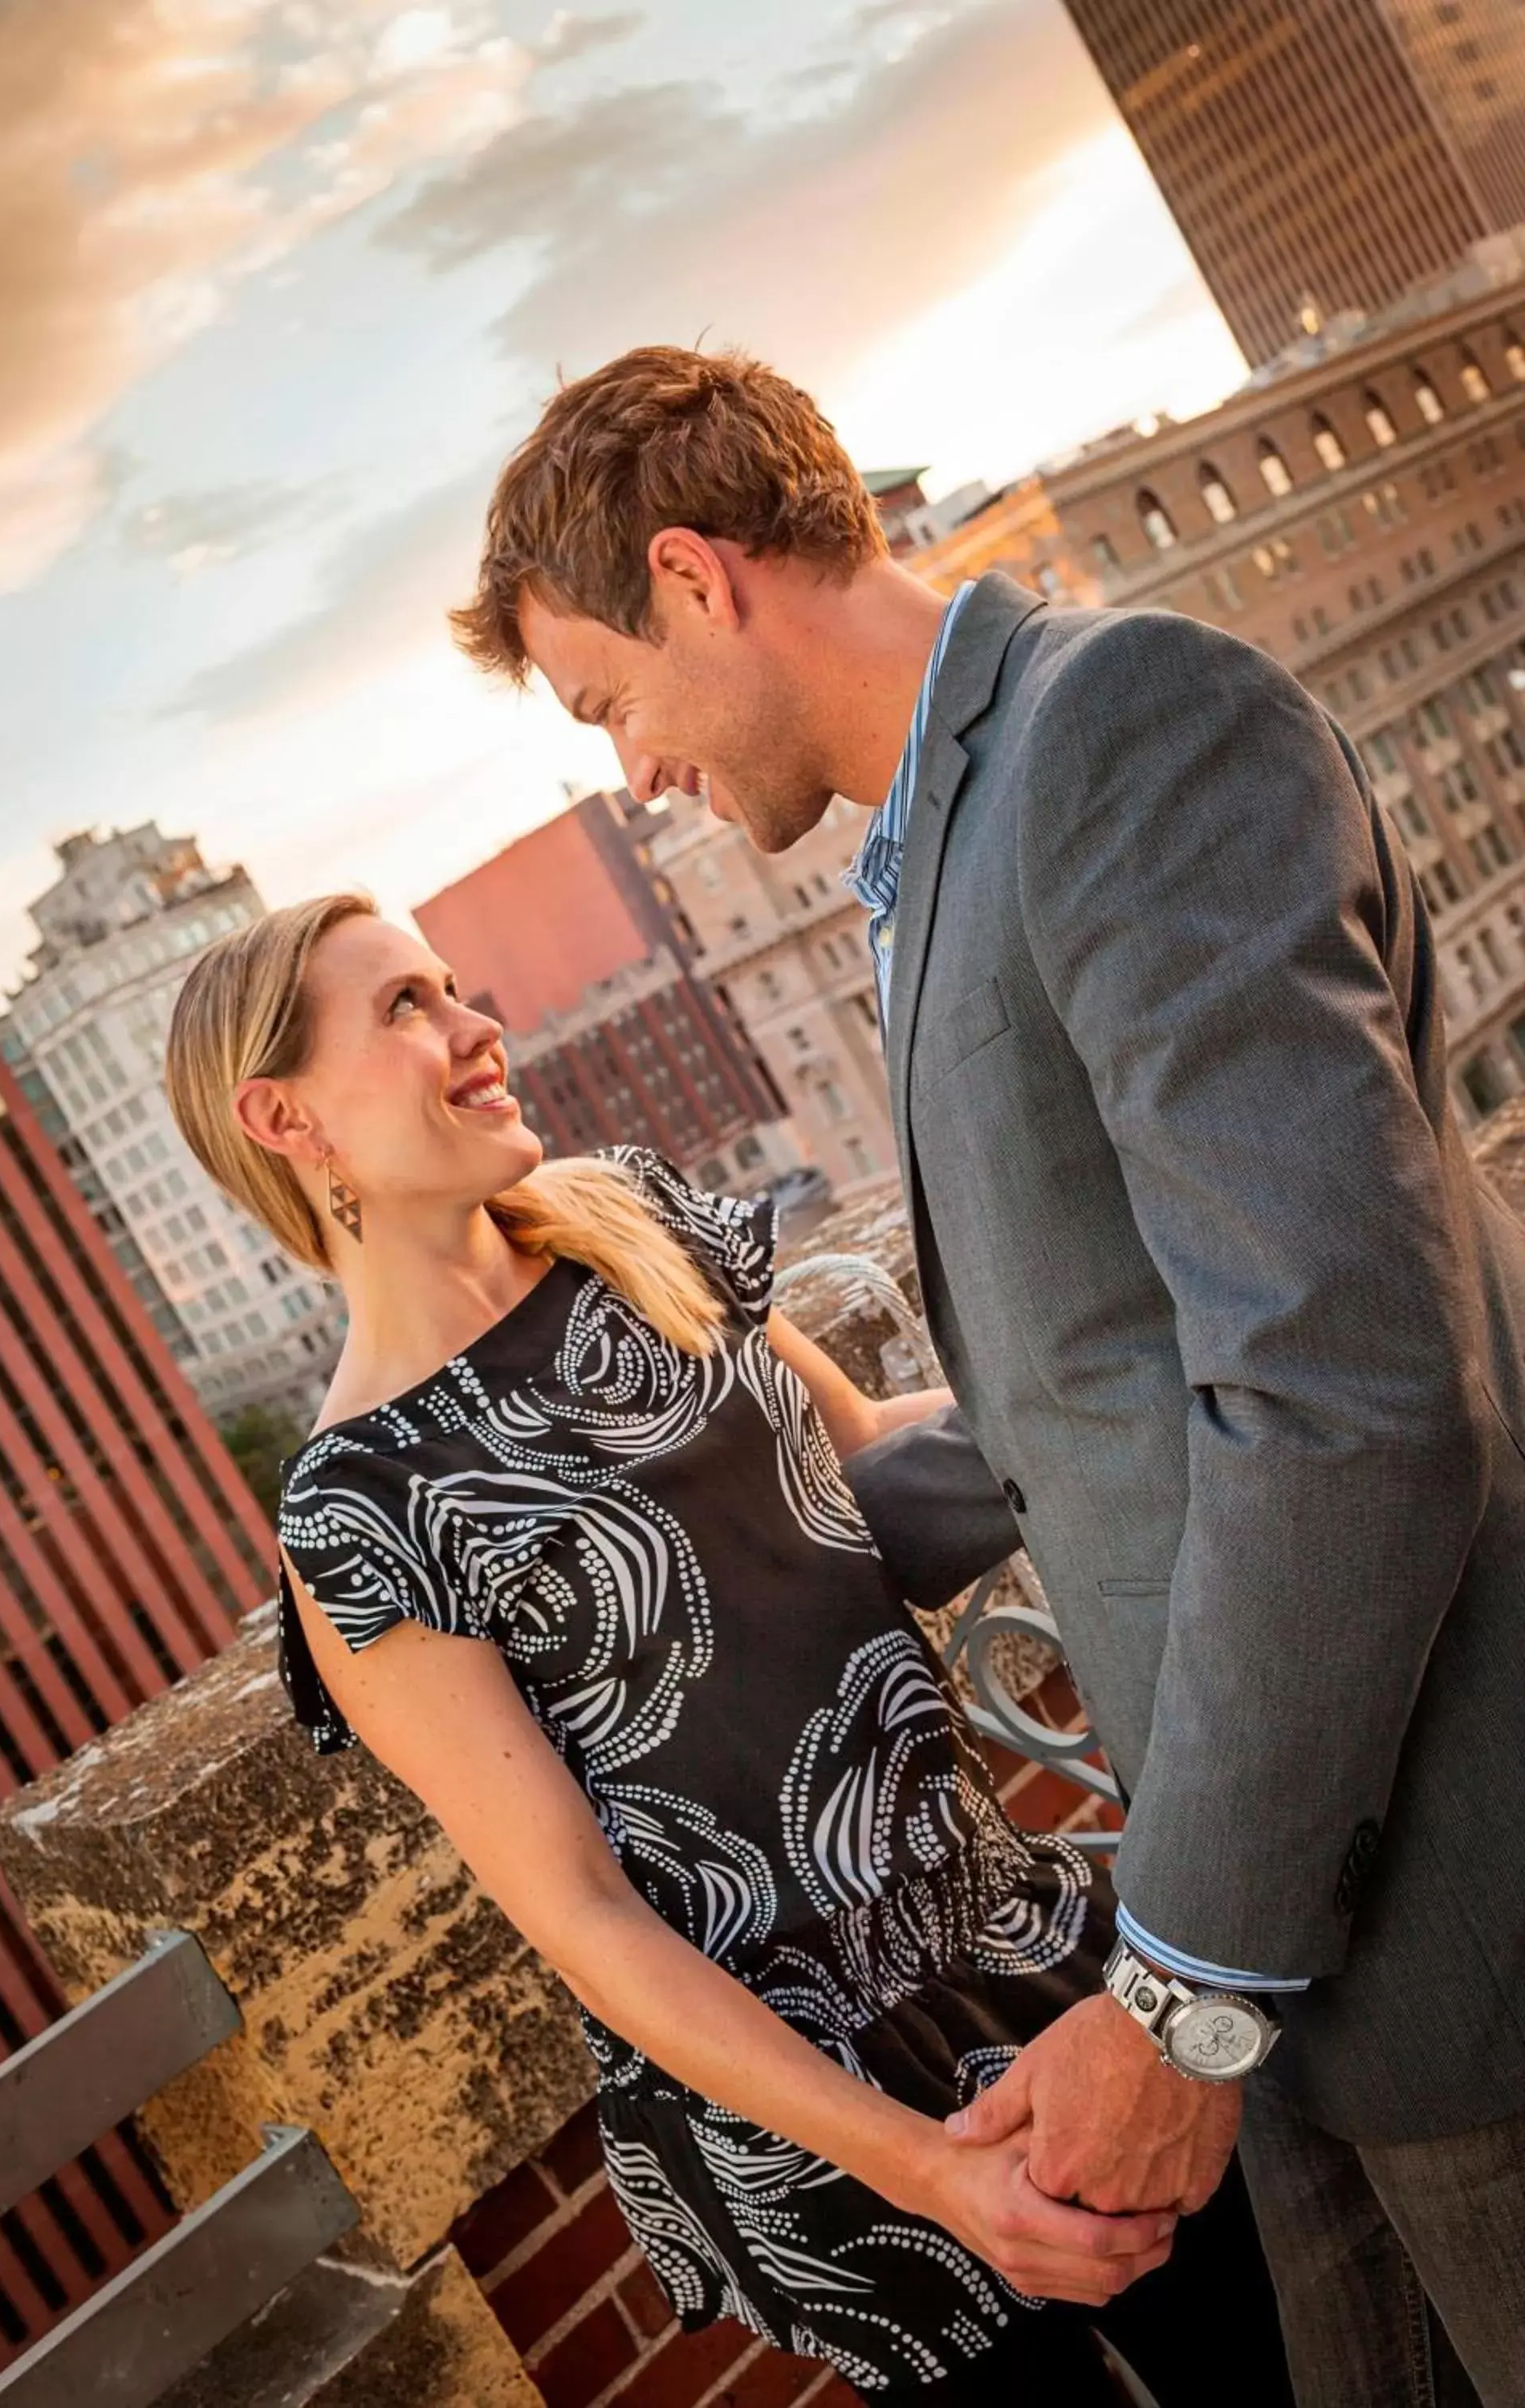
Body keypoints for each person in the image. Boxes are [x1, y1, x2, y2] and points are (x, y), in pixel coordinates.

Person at [452, 343, 1525, 2408]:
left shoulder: (1111, 731)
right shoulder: (940, 838)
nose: (636, 771)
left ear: (694, 576)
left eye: (610, 707)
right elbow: (1098, 1392)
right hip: (1295, 1914)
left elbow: (1343, 1397)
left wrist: (1186, 1995)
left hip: (1452, 1915)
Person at [165, 894, 1291, 2406]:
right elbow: (582, 1913)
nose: (477, 1027)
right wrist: (928, 2174)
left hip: (1015, 1944)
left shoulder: (623, 1224)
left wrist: (1180, 1390)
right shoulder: (363, 1511)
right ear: (282, 1115)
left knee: (1308, 2350)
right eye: (407, 1010)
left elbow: (860, 1466)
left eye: (453, 985)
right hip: (826, 2127)